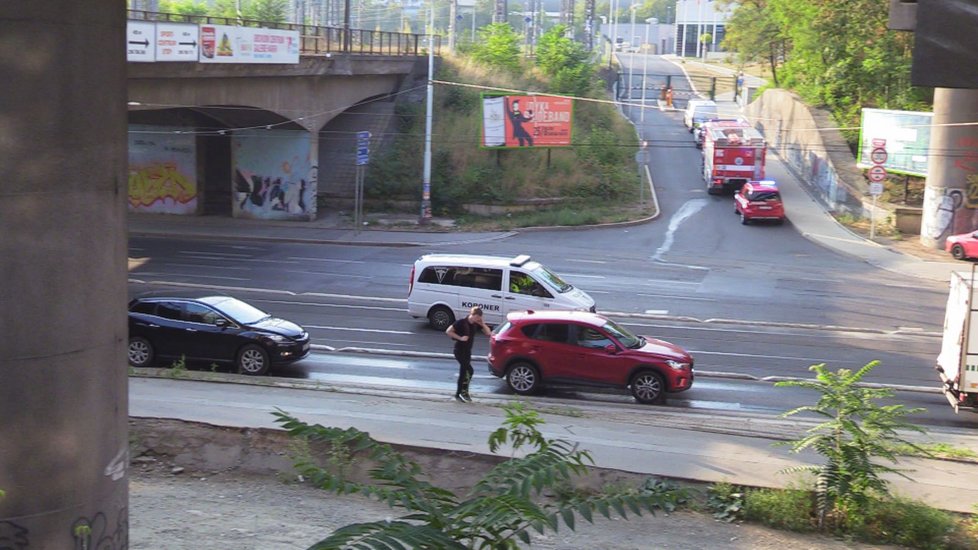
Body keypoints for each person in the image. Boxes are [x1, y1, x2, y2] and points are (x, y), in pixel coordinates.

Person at [446, 306, 492, 403]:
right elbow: (448, 331)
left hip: (467, 352)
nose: (478, 319)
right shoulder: (461, 322)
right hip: (459, 350)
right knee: (468, 370)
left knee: (465, 372)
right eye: (478, 317)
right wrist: (460, 338)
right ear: (473, 315)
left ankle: (461, 393)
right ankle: (461, 393)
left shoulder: (475, 324)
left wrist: (482, 323)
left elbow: (488, 333)